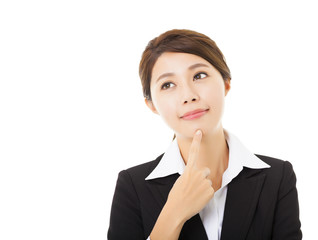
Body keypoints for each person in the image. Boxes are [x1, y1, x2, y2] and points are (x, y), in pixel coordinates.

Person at [107, 29, 302, 240]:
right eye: (168, 84)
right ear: (152, 105)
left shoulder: (278, 177)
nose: (189, 95)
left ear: (226, 82)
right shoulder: (132, 186)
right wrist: (173, 214)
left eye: (199, 76)